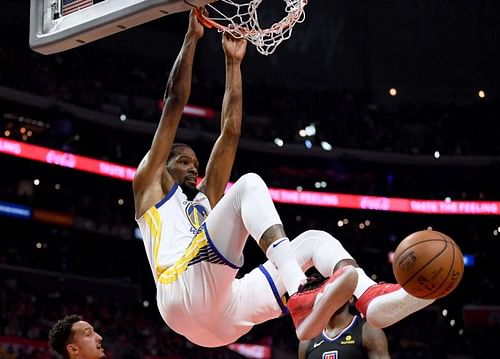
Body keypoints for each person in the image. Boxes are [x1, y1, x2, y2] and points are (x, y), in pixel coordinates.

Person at [133, 9, 434, 348]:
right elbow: (175, 100)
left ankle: (371, 299)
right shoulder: (150, 187)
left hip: (224, 317)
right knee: (248, 184)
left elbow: (229, 133)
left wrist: (233, 66)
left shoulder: (206, 200)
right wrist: (191, 39)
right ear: (164, 163)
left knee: (314, 241)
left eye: (195, 163)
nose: (193, 168)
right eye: (185, 161)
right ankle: (299, 292)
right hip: (179, 293)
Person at [298, 297, 391, 359]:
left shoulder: (368, 330)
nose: (333, 294)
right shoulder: (308, 338)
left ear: (350, 297)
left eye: (338, 290)